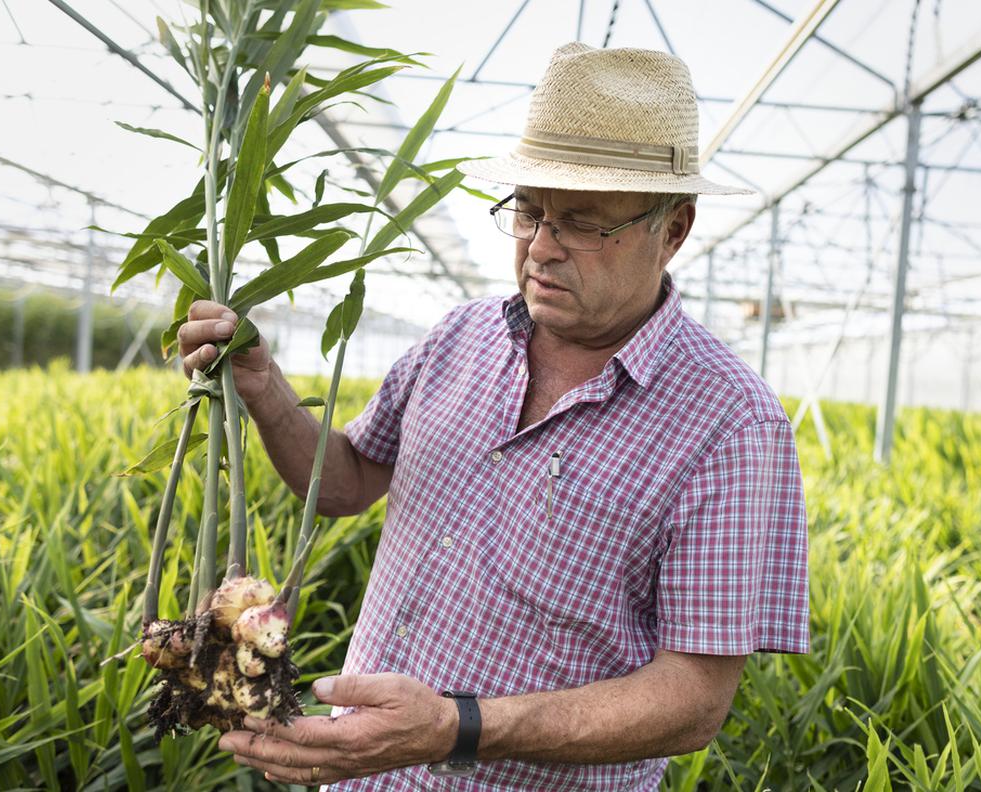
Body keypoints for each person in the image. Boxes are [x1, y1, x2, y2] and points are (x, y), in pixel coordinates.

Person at [181, 42, 809, 791]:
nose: (541, 247)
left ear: (672, 229)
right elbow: (345, 481)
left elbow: (692, 702)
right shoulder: (462, 335)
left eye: (582, 224)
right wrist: (265, 388)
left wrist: (458, 727)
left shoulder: (731, 425)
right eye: (529, 212)